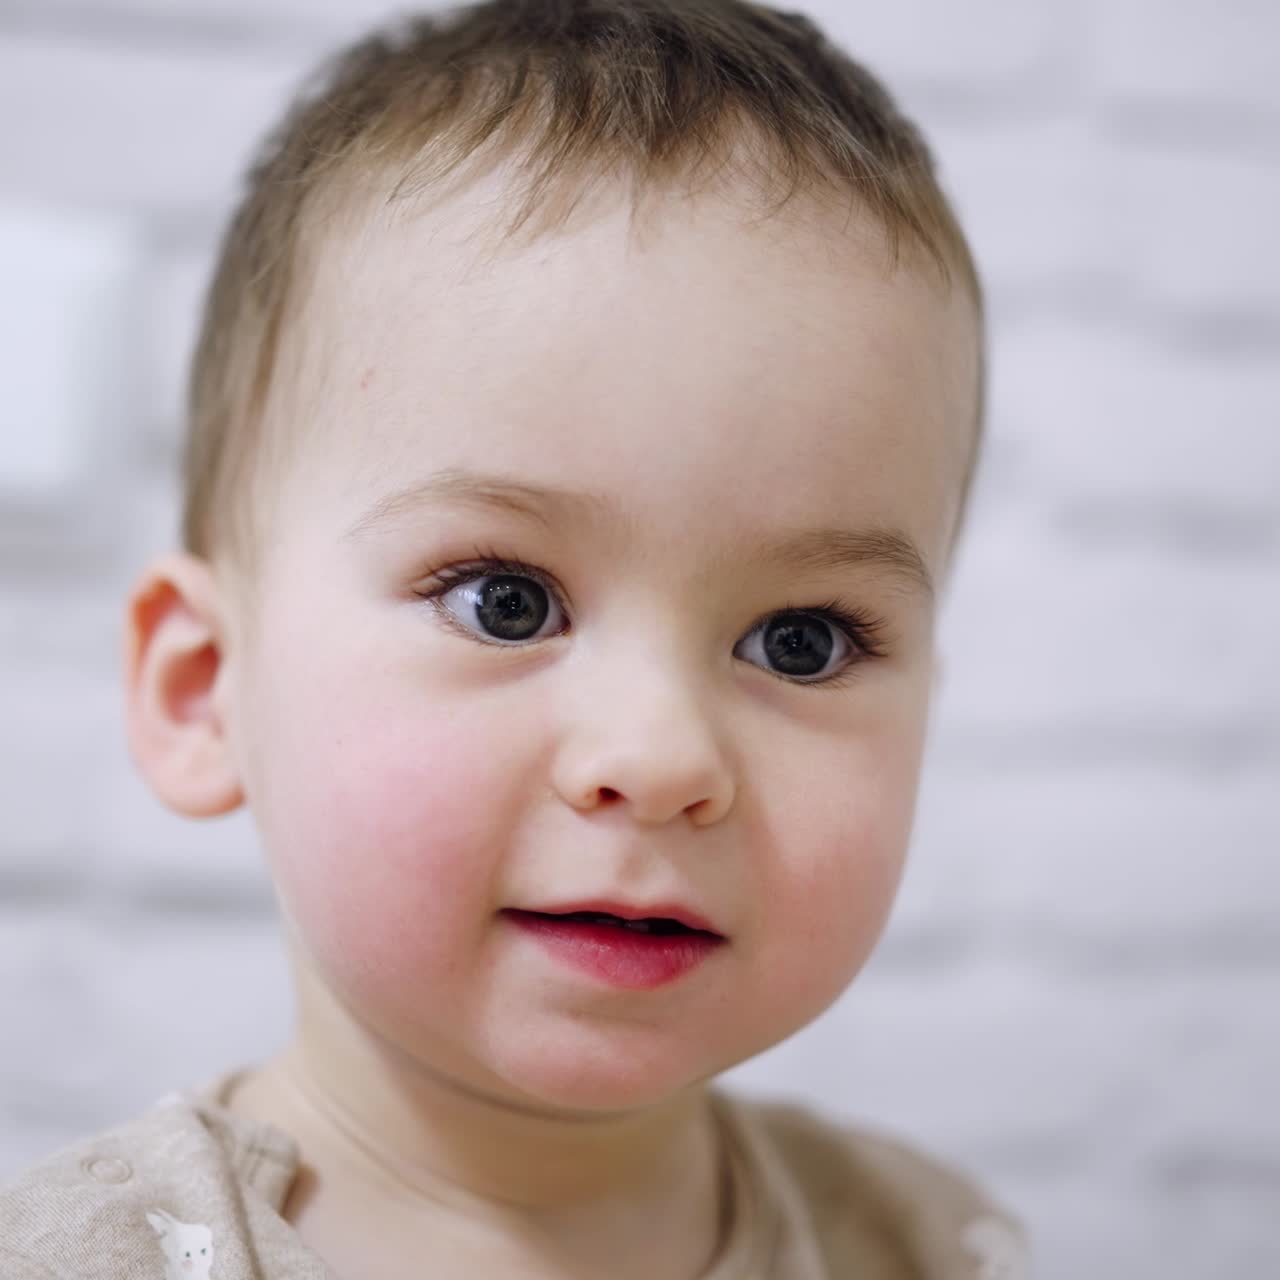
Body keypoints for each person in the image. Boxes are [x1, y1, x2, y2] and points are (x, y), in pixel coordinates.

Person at [0, 1, 1029, 1276]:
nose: (658, 758)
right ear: (208, 689)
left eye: (801, 639)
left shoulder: (927, 1244)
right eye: (506, 600)